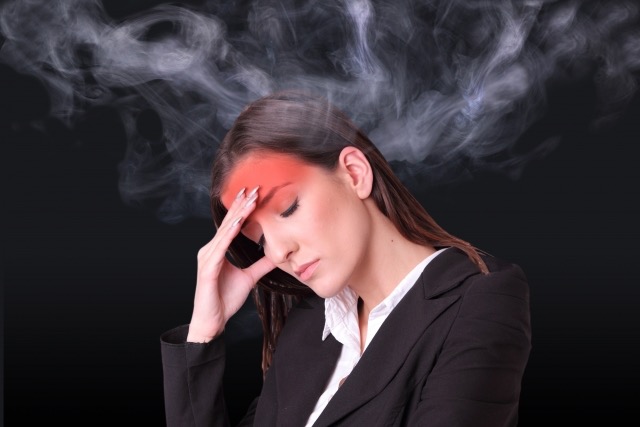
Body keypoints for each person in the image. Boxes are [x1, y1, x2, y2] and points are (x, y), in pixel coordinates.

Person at [160, 89, 532, 426]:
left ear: (354, 173)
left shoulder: (480, 303)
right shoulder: (307, 330)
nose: (277, 251)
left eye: (287, 207)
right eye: (259, 241)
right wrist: (203, 333)